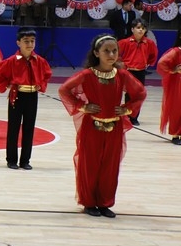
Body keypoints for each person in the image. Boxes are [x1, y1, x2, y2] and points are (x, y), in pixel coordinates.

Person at [58, 34, 146, 218]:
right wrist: (82, 106)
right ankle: (89, 202)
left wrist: (127, 109)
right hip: (92, 127)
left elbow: (140, 92)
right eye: (106, 50)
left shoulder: (121, 74)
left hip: (114, 127)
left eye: (114, 50)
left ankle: (104, 202)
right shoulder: (87, 75)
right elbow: (64, 90)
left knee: (110, 166)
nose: (111, 54)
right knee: (89, 165)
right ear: (97, 53)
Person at [0, 28, 52, 170]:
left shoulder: (40, 61)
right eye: (26, 41)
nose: (30, 44)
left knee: (29, 128)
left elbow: (47, 74)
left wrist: (40, 85)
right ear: (18, 43)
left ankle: (25, 160)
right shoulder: (11, 61)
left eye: (32, 41)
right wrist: (7, 85)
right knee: (13, 128)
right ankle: (11, 160)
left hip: (32, 96)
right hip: (17, 96)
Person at [118, 18, 158, 126]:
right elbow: (115, 53)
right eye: (138, 28)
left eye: (143, 28)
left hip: (141, 72)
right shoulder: (125, 42)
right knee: (129, 94)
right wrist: (121, 64)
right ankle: (127, 115)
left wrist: (147, 63)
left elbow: (153, 55)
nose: (140, 30)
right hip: (128, 72)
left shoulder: (149, 43)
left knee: (139, 95)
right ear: (132, 29)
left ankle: (134, 117)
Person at [157, 30, 181, 145]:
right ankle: (175, 135)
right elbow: (162, 63)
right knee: (177, 109)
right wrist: (173, 70)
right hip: (179, 84)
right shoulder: (176, 51)